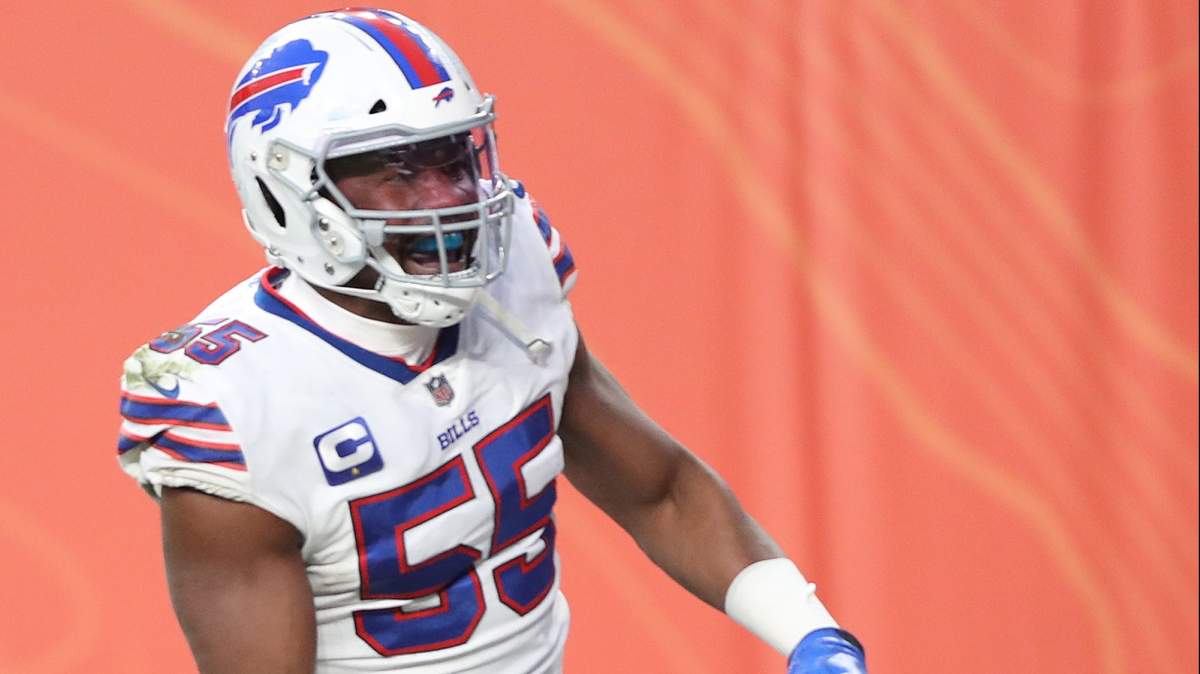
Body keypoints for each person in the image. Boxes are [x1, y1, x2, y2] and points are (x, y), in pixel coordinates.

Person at [115, 8, 869, 673]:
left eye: (452, 160)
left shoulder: (515, 270)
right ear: (288, 192)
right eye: (398, 172)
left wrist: (814, 636)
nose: (448, 199)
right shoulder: (232, 405)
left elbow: (661, 494)